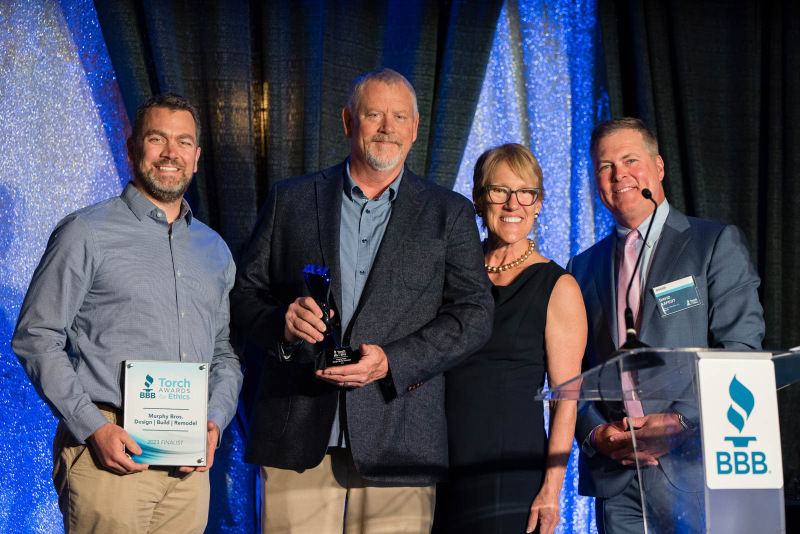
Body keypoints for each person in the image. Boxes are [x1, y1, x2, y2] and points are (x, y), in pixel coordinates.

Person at [230, 68, 493, 533]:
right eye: (374, 114)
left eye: (398, 117)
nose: (387, 127)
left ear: (415, 127)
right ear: (349, 121)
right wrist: (283, 324)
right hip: (297, 432)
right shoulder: (291, 199)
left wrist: (391, 361)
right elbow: (245, 296)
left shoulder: (448, 214)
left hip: (401, 438)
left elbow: (474, 316)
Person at [12, 93, 243, 534]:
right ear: (132, 146)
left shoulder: (215, 250)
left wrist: (213, 420)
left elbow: (225, 354)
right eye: (157, 139)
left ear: (196, 157)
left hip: (188, 463)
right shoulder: (86, 232)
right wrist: (92, 428)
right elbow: (36, 336)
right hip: (109, 452)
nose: (171, 153)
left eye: (183, 142)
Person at [567, 118, 765, 534]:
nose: (619, 174)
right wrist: (595, 433)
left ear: (657, 167)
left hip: (694, 468)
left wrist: (682, 422)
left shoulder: (711, 243)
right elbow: (573, 372)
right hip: (616, 476)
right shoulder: (581, 267)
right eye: (605, 167)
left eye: (630, 160)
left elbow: (741, 351)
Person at [433, 144, 586, 534]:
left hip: (511, 471)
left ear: (538, 204)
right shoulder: (453, 274)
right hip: (438, 464)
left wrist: (552, 489)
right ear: (479, 199)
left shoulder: (558, 286)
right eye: (499, 191)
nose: (512, 204)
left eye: (525, 193)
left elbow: (566, 399)